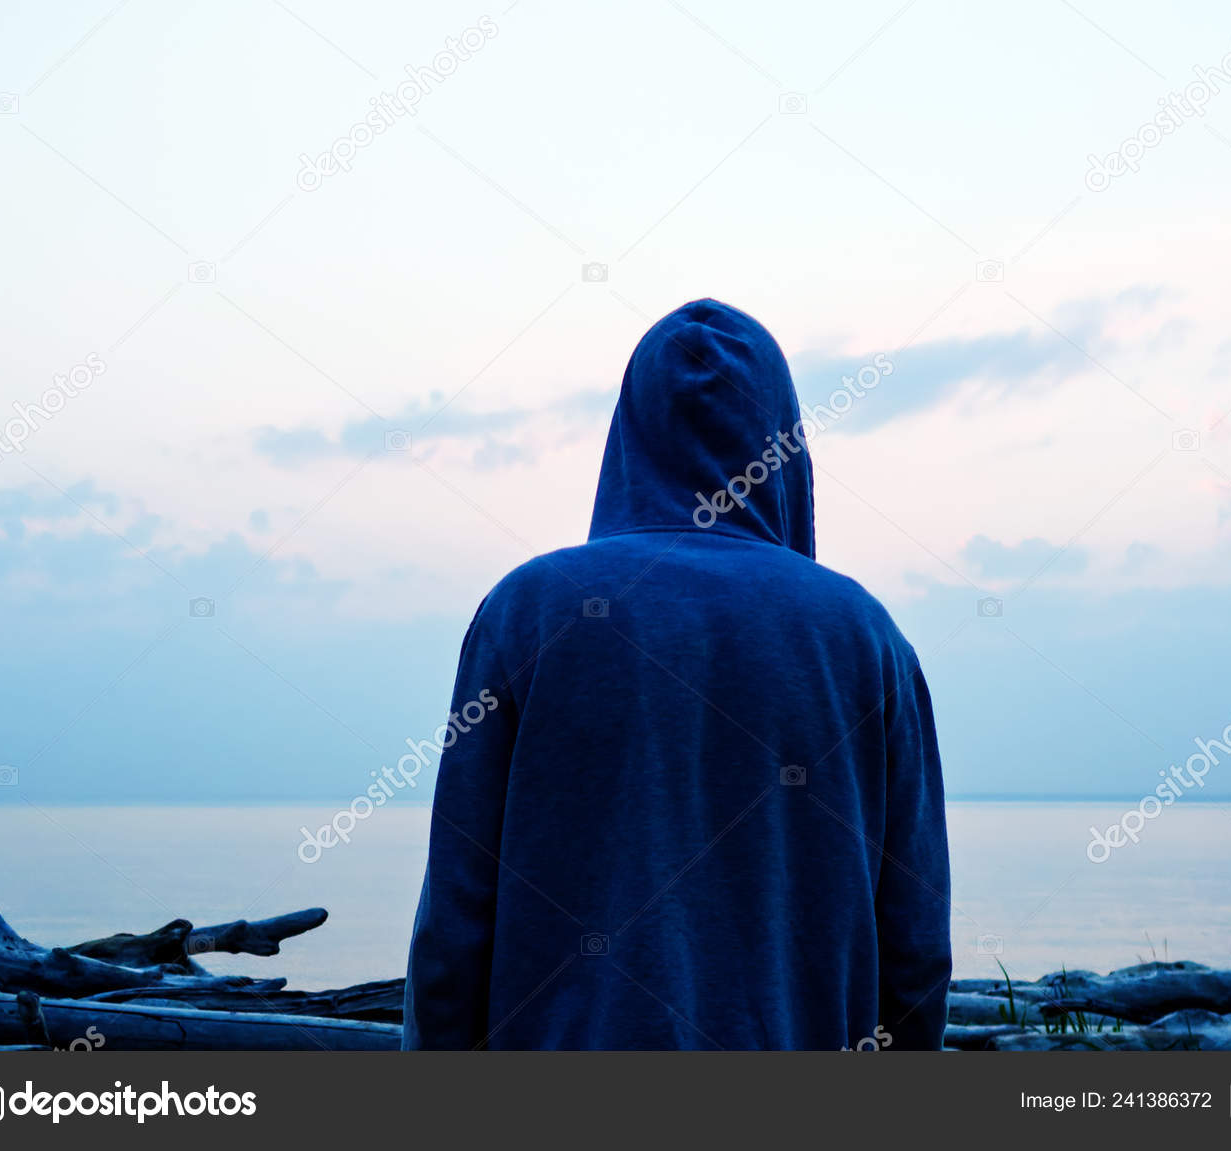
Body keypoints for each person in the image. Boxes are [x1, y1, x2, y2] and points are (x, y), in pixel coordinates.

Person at [403, 299, 950, 1050]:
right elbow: (915, 953)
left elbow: (453, 935)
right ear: (784, 441)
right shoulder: (866, 638)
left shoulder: (527, 613)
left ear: (629, 432)